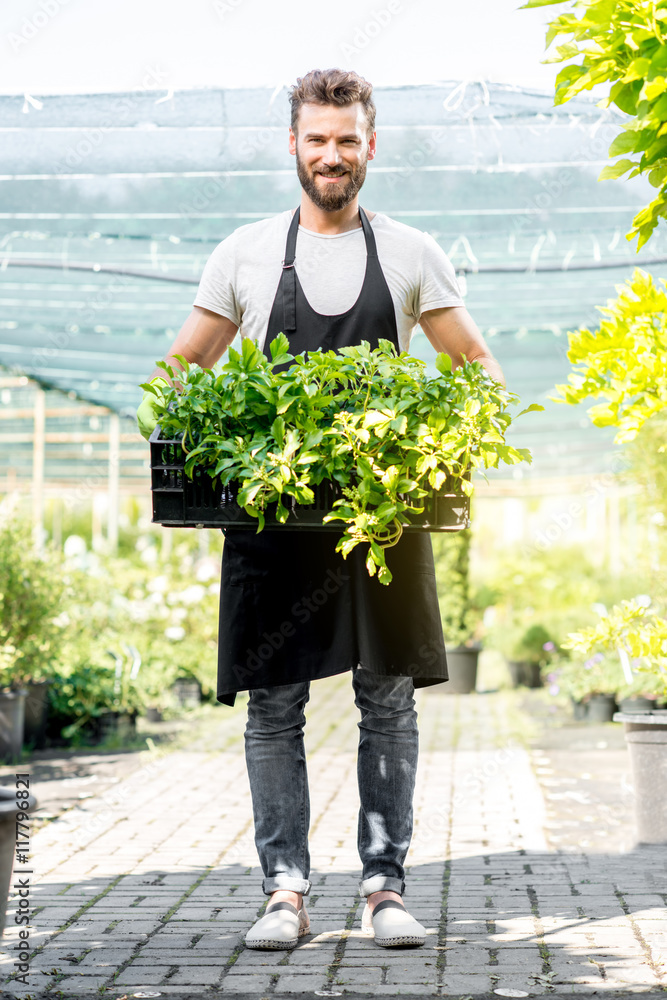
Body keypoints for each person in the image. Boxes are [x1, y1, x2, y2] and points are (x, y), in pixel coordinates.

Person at [137, 68, 505, 951]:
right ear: (294, 146)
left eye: (347, 139)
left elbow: (476, 368)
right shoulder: (245, 253)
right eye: (316, 139)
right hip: (273, 514)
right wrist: (187, 432)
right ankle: (285, 892)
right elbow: (181, 368)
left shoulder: (412, 252)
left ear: (369, 145)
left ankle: (383, 889)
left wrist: (453, 439)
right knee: (274, 704)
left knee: (387, 700)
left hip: (381, 515)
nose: (331, 155)